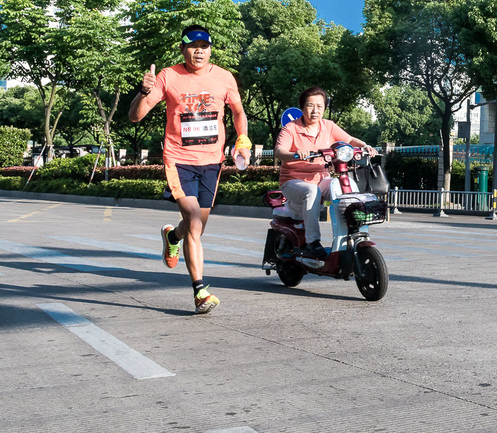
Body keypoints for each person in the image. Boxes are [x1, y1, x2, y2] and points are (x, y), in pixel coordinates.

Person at [128, 24, 250, 313]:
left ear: (209, 49)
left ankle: (172, 236)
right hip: (178, 160)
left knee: (196, 227)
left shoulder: (224, 77)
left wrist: (242, 138)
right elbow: (136, 116)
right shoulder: (168, 76)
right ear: (183, 49)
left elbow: (238, 111)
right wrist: (141, 90)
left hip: (212, 161)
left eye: (204, 46)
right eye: (193, 46)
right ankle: (200, 291)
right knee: (194, 221)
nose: (199, 51)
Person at [273, 87, 376, 260]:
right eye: (310, 106)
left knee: (343, 184)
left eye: (320, 107)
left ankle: (352, 233)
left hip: (320, 179)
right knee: (312, 191)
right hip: (292, 182)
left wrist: (364, 145)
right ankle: (312, 242)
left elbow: (349, 140)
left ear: (325, 108)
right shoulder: (291, 128)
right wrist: (296, 153)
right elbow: (279, 151)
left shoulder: (328, 126)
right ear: (302, 107)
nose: (315, 111)